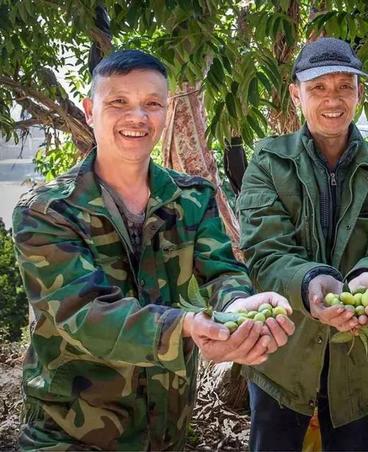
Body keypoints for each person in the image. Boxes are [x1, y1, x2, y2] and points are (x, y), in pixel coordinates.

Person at [12, 49, 295, 450]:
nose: (137, 117)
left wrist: (235, 308)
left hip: (167, 432)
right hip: (70, 435)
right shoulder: (48, 210)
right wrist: (188, 327)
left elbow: (222, 271)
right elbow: (82, 313)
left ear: (165, 111)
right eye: (119, 102)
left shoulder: (192, 197)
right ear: (90, 111)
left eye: (152, 104)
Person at [237, 37, 368, 451]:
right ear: (296, 94)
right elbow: (266, 253)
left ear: (359, 94)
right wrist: (311, 282)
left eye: (344, 86)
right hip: (281, 350)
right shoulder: (268, 163)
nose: (332, 99)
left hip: (363, 354)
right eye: (318, 87)